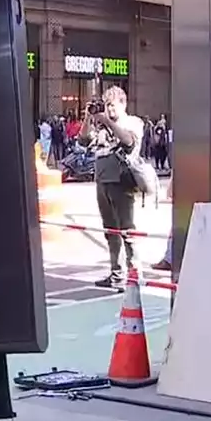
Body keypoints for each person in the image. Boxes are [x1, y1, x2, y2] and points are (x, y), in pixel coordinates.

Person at [78, 85, 144, 290]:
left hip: (122, 180)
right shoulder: (102, 126)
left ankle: (135, 272)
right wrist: (90, 118)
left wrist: (108, 121)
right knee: (110, 230)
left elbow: (129, 142)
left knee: (127, 229)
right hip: (102, 180)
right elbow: (83, 140)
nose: (110, 109)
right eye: (107, 106)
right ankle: (117, 273)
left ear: (123, 104)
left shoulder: (132, 122)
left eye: (112, 105)